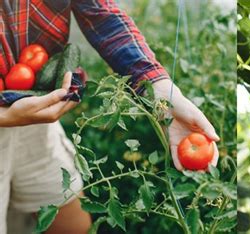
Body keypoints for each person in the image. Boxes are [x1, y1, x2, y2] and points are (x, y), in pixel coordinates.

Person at [0, 1, 219, 233]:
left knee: (72, 225)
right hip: (19, 111)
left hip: (34, 114)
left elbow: (100, 13)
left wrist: (159, 88)